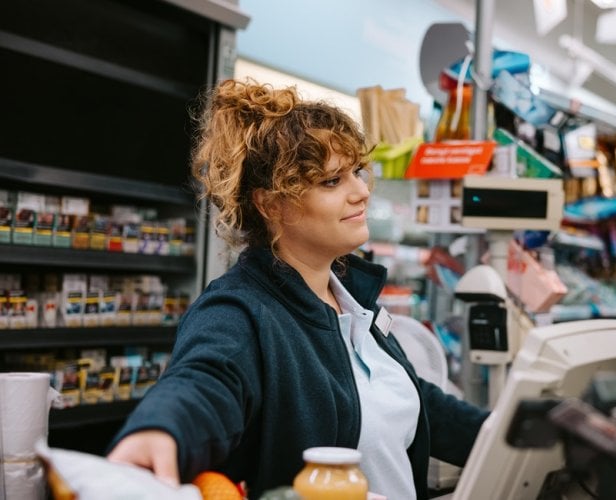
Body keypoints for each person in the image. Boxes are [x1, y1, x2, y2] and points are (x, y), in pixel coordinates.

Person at [107, 79, 489, 499]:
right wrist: (161, 428)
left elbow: (418, 405)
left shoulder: (353, 302)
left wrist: (518, 431)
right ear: (271, 204)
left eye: (356, 173)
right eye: (331, 182)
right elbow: (206, 379)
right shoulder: (240, 310)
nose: (361, 192)